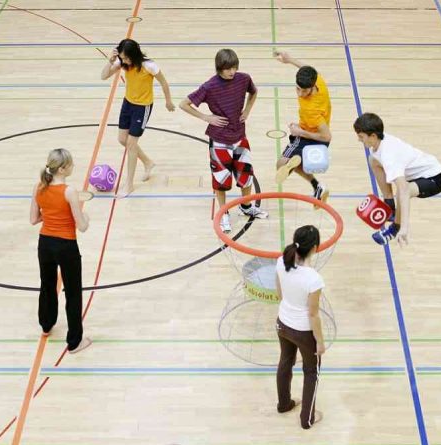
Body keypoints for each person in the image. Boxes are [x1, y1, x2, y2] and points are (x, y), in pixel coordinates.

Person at [179, 48, 267, 233]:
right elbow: (183, 104)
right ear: (219, 68)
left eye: (234, 67)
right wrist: (206, 117)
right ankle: (223, 213)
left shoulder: (244, 79)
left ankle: (246, 207)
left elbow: (254, 92)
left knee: (246, 175)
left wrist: (247, 110)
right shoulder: (209, 86)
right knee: (221, 180)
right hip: (219, 141)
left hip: (240, 137)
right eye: (228, 69)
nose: (232, 72)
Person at [29, 148, 92, 354]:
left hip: (45, 244)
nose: (74, 166)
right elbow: (81, 226)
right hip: (66, 246)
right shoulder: (69, 191)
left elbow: (33, 219)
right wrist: (86, 217)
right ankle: (74, 342)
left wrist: (50, 215)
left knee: (47, 285)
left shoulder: (39, 187)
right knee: (73, 293)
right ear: (63, 169)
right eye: (71, 164)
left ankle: (46, 324)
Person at [353, 113, 441, 246]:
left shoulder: (389, 156)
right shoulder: (379, 142)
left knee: (402, 192)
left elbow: (404, 190)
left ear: (373, 136)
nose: (359, 140)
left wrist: (404, 228)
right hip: (417, 175)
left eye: (361, 137)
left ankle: (395, 229)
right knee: (373, 160)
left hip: (433, 179)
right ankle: (390, 207)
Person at [101, 39, 175, 198]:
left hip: (142, 107)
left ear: (134, 55)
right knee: (122, 139)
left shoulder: (149, 65)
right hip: (128, 103)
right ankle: (148, 162)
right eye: (122, 58)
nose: (124, 61)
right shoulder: (123, 63)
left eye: (126, 58)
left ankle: (129, 184)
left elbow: (164, 82)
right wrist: (110, 61)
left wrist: (168, 101)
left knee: (131, 143)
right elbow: (104, 76)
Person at [275, 225, 326, 429]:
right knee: (311, 372)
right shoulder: (313, 279)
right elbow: (313, 314)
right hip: (303, 332)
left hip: (282, 323)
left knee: (285, 361)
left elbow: (279, 294)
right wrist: (320, 342)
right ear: (314, 248)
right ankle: (307, 419)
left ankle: (284, 404)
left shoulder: (281, 261)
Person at [273, 51, 331, 205]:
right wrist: (289, 60)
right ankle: (317, 186)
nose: (300, 93)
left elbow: (327, 137)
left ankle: (297, 163)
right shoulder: (318, 80)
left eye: (304, 91)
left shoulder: (312, 109)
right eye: (297, 88)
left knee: (281, 166)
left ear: (312, 87)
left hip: (311, 136)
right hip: (311, 131)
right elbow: (309, 69)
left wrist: (300, 132)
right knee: (291, 164)